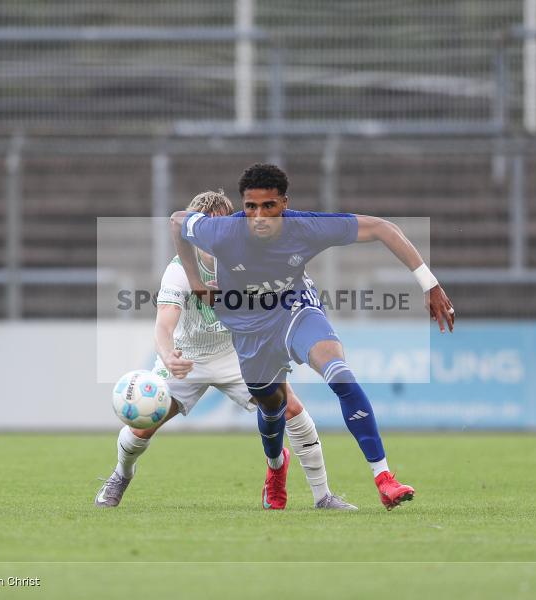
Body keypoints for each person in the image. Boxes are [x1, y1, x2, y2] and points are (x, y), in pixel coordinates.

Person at [170, 163, 455, 510]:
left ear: (284, 204)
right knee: (272, 408)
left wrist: (430, 283)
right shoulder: (223, 232)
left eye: (268, 206)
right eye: (251, 207)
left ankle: (384, 479)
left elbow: (382, 228)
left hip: (295, 310)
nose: (259, 216)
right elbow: (176, 221)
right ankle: (276, 470)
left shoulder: (306, 227)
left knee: (339, 373)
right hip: (248, 327)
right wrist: (196, 283)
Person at [96, 190, 357, 511]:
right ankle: (120, 475)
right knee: (142, 426)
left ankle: (323, 496)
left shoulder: (250, 262)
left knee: (291, 409)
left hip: (238, 353)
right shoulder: (179, 271)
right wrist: (167, 354)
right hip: (189, 357)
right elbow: (164, 325)